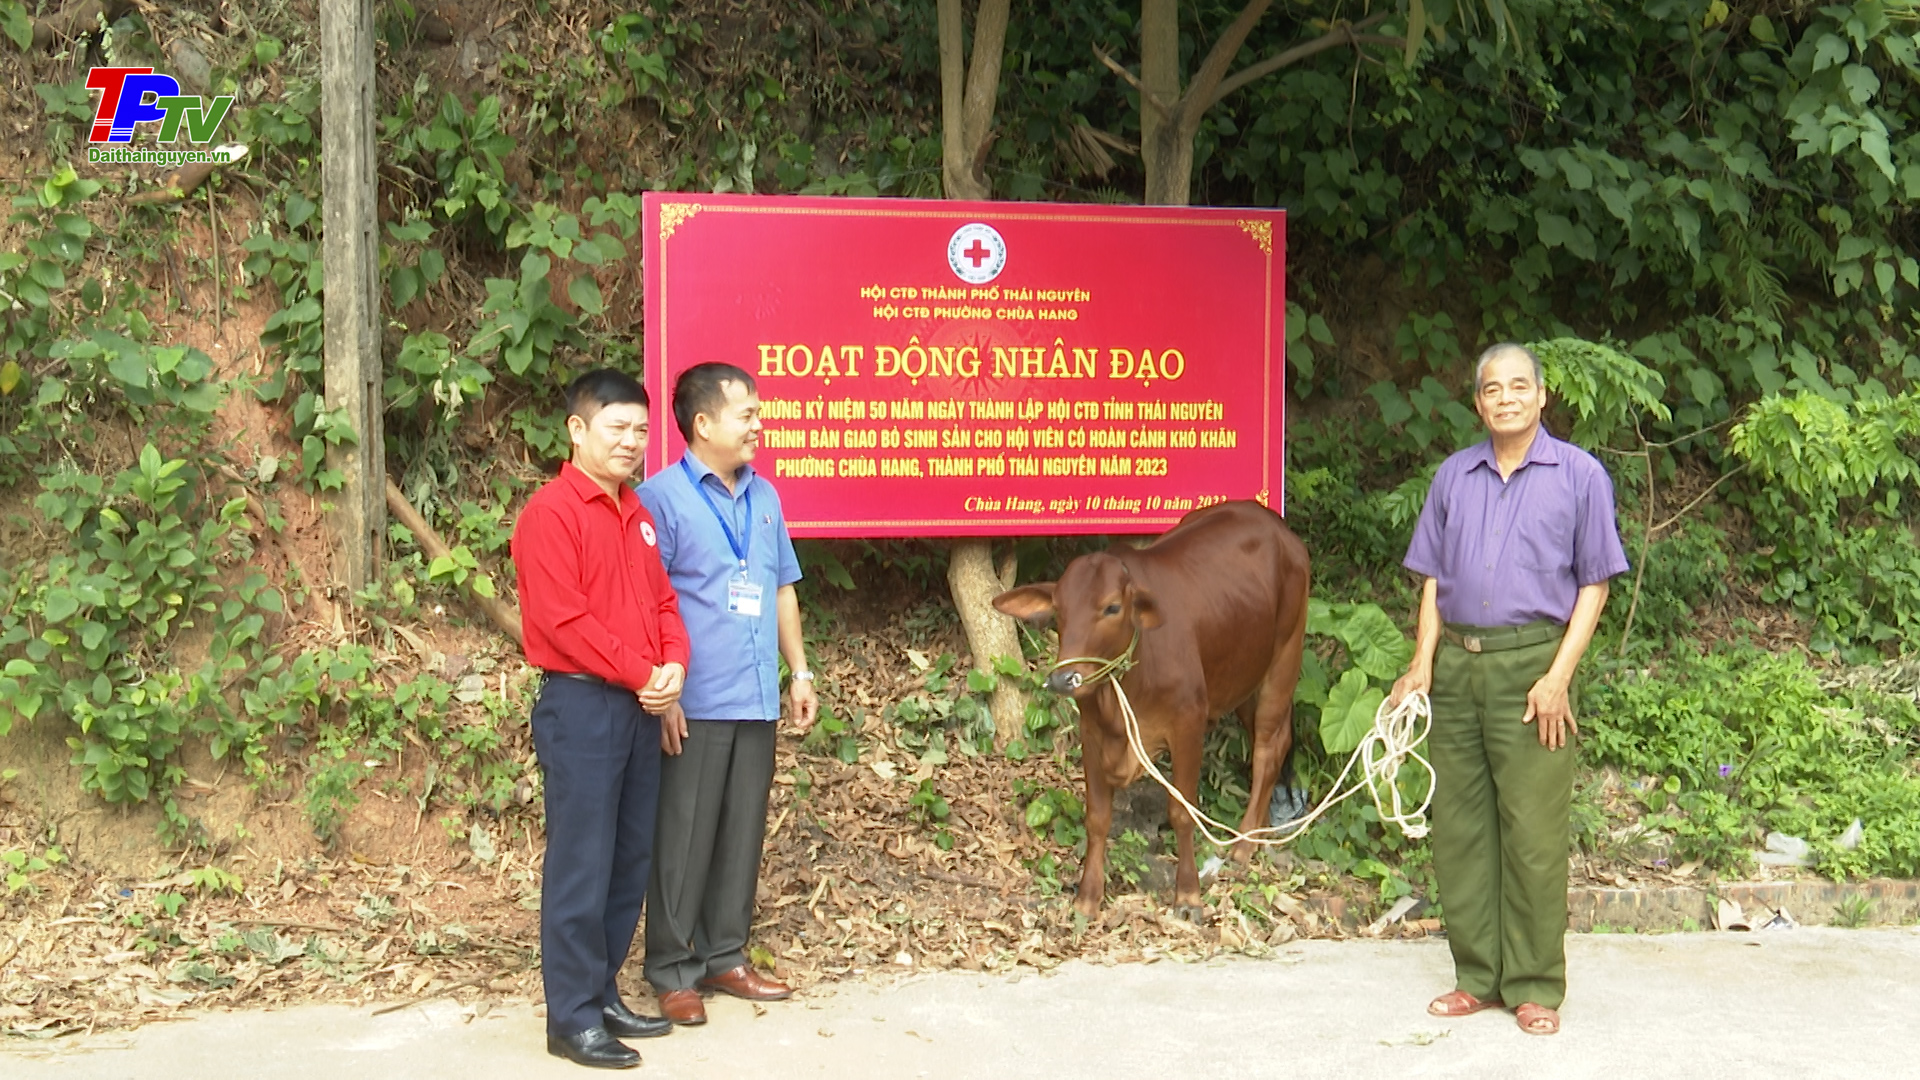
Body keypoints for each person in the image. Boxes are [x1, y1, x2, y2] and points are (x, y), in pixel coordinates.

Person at [1387, 343, 1628, 1037]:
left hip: (1532, 669)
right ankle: (1478, 977)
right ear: (1478, 403)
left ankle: (1533, 984)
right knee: (1460, 829)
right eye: (1493, 389)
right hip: (1458, 668)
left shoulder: (1579, 476)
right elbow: (1434, 578)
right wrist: (1421, 663)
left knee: (1532, 833)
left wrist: (1558, 677)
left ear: (1542, 395)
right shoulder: (1453, 476)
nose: (1507, 398)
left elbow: (1595, 584)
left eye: (1519, 386)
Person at [510, 369, 687, 1070]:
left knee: (626, 858)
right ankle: (572, 1017)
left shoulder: (636, 512)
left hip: (640, 707)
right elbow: (564, 621)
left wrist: (674, 666)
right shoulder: (551, 513)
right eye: (617, 427)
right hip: (583, 704)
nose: (632, 442)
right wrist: (645, 673)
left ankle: (602, 990)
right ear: (577, 430)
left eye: (641, 430)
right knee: (581, 862)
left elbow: (663, 602)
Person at [639, 362, 819, 1026]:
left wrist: (799, 672)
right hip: (696, 699)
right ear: (703, 423)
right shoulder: (660, 499)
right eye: (747, 415)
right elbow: (647, 601)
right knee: (684, 836)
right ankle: (672, 969)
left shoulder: (765, 496)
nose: (758, 425)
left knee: (742, 832)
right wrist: (663, 694)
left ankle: (724, 955)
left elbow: (781, 587)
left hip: (757, 695)